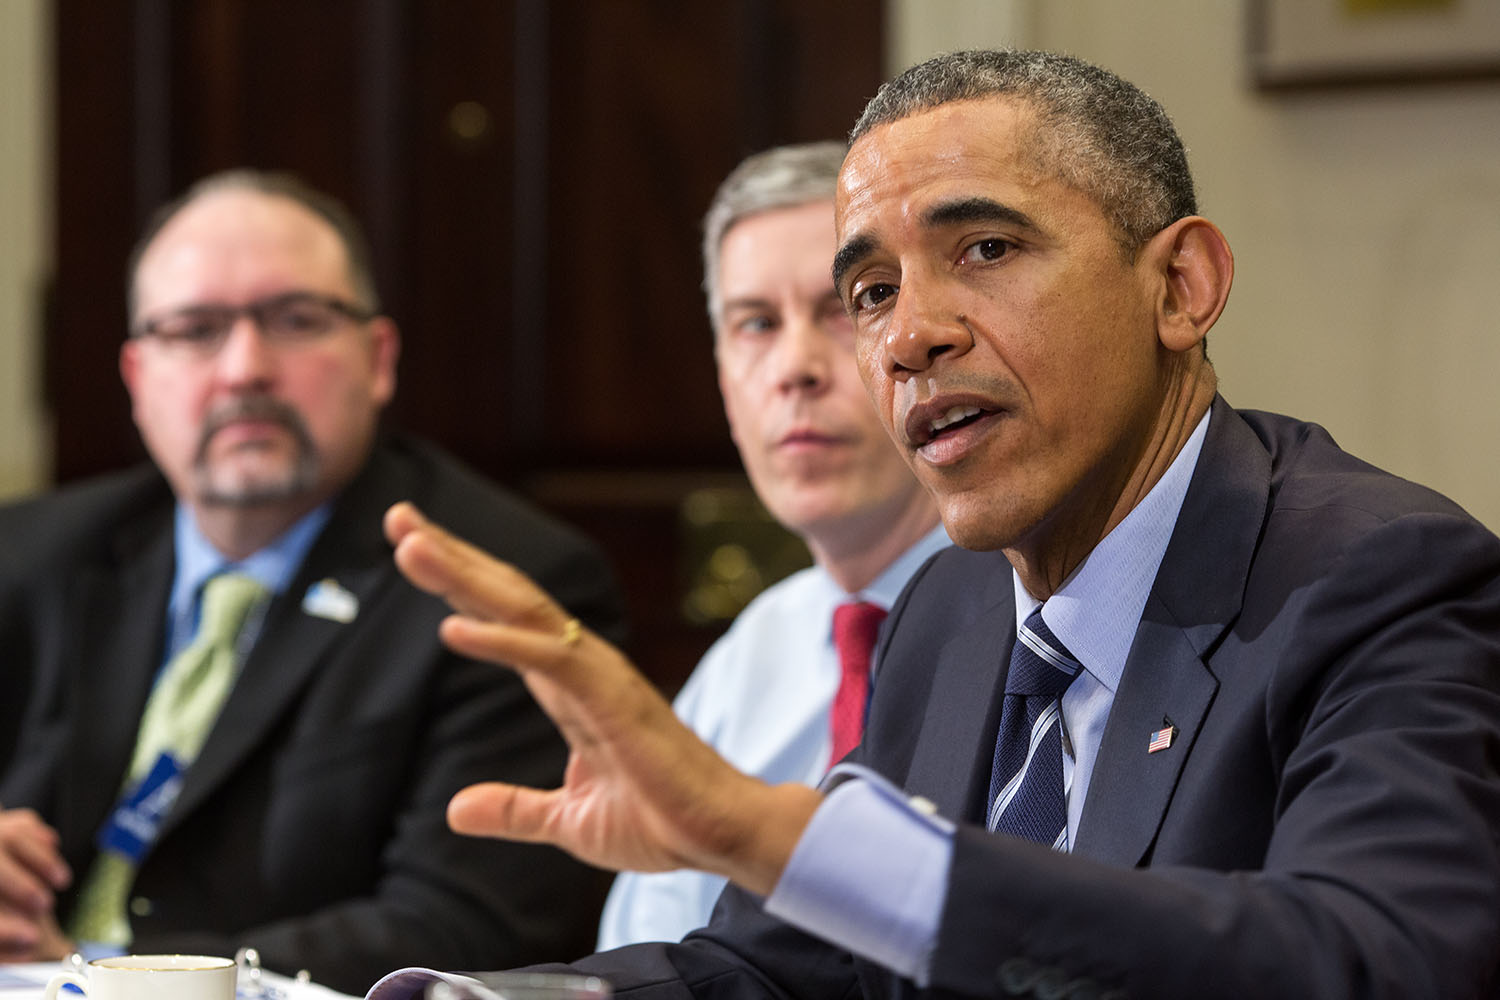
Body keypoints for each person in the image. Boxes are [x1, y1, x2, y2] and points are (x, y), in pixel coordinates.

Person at [380, 49, 1500, 1000]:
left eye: (986, 251)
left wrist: (777, 834)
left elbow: (1373, 960)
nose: (909, 336)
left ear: (1182, 286)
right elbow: (785, 974)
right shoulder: (951, 609)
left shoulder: (1378, 578)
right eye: (870, 292)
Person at [0, 170, 626, 994]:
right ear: (137, 376)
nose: (245, 368)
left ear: (378, 359)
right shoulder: (30, 554)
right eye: (195, 329)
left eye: (296, 321)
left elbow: (463, 924)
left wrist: (97, 976)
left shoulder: (498, 584)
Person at [596, 142, 946, 949]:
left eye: (844, 309)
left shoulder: (1044, 622)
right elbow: (640, 954)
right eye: (755, 324)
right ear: (722, 376)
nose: (795, 368)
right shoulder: (748, 657)